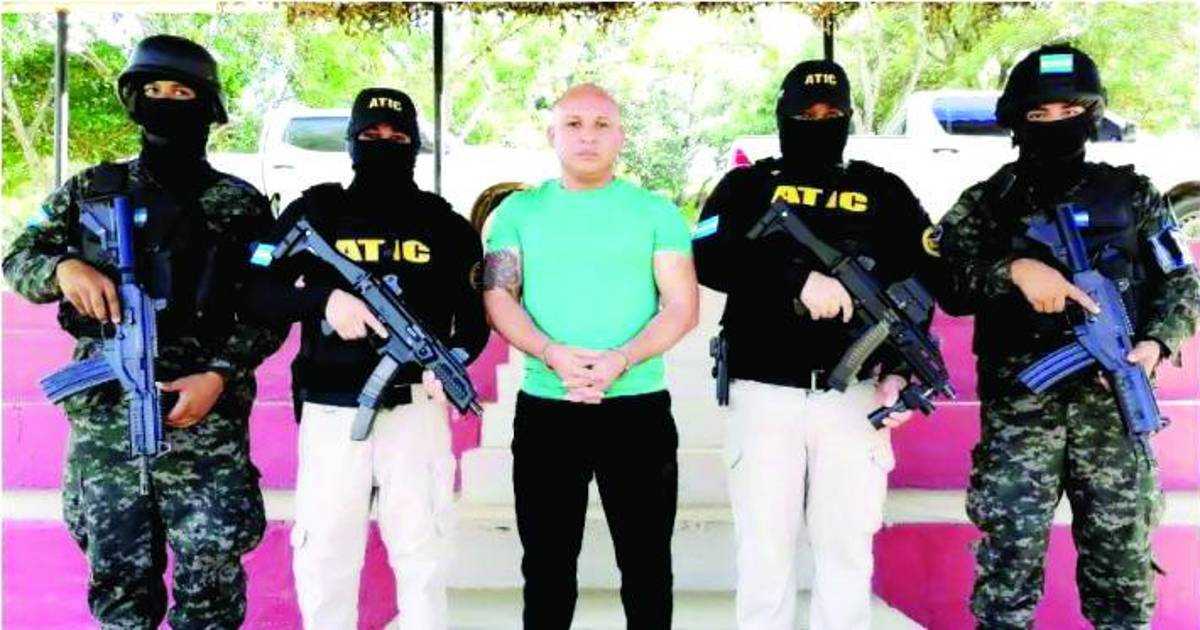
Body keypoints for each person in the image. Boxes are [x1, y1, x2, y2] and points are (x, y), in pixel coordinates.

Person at [2, 34, 285, 629]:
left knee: (210, 586)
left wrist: (219, 375)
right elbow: (18, 258)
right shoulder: (91, 190)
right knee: (118, 585)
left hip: (204, 423)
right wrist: (63, 268)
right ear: (134, 99)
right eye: (153, 90)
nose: (166, 102)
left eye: (181, 92)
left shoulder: (240, 204)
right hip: (109, 423)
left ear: (206, 106)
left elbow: (270, 310)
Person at [935, 44, 1200, 628]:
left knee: (1122, 573)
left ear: (1092, 115)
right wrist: (1012, 271)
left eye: (1070, 111)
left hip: (1113, 411)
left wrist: (1155, 345)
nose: (1056, 123)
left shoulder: (1133, 195)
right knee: (1007, 574)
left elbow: (1181, 282)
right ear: (1017, 121)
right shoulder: (986, 202)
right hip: (1020, 414)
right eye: (1040, 114)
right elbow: (945, 280)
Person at [692, 59, 945, 630]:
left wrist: (900, 372)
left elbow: (923, 284)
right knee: (764, 552)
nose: (819, 122)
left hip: (855, 398)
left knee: (846, 551)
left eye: (831, 113)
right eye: (806, 114)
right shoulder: (747, 185)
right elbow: (706, 253)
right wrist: (796, 280)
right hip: (764, 392)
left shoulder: (884, 190)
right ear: (783, 116)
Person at [241, 86, 489, 630]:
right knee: (326, 552)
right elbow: (256, 289)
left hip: (416, 409)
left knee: (423, 551)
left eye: (397, 138)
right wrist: (322, 299)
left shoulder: (446, 225)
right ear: (351, 142)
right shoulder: (317, 210)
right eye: (371, 135)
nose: (384, 144)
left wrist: (451, 360)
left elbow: (474, 321)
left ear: (414, 145)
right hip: (331, 409)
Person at [482, 83, 699, 630]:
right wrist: (549, 352)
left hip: (637, 410)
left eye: (602, 125)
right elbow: (499, 295)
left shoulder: (656, 212)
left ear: (621, 136)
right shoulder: (516, 213)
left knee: (647, 566)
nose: (587, 136)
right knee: (547, 567)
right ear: (552, 134)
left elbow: (681, 306)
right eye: (573, 124)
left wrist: (621, 359)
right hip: (547, 408)